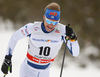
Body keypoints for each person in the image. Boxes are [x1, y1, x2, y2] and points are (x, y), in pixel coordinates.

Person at [1, 2, 80, 77]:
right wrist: (8, 58)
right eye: (48, 20)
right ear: (44, 17)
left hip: (45, 72)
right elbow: (15, 37)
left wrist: (73, 39)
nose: (51, 25)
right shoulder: (32, 28)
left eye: (55, 22)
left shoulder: (62, 31)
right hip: (28, 69)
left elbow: (75, 53)